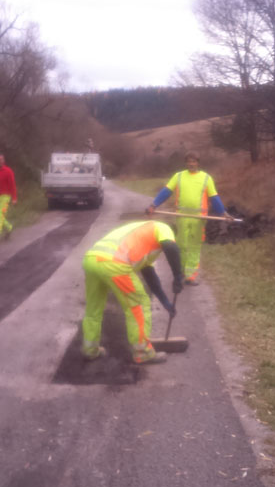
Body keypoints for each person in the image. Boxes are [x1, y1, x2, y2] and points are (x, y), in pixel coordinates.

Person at [81, 220, 185, 364]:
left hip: (91, 260)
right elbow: (171, 247)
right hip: (115, 263)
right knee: (139, 305)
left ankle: (90, 350)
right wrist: (178, 276)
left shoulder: (142, 234)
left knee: (94, 308)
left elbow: (150, 276)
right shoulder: (163, 227)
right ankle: (143, 353)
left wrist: (166, 303)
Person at [145, 151, 225, 285]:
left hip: (198, 219)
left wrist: (223, 213)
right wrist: (154, 205)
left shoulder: (206, 178)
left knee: (194, 247)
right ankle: (180, 273)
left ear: (198, 163)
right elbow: (166, 191)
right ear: (186, 163)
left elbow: (214, 197)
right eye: (189, 161)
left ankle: (190, 277)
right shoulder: (179, 176)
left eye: (193, 161)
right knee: (181, 245)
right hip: (181, 216)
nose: (191, 164)